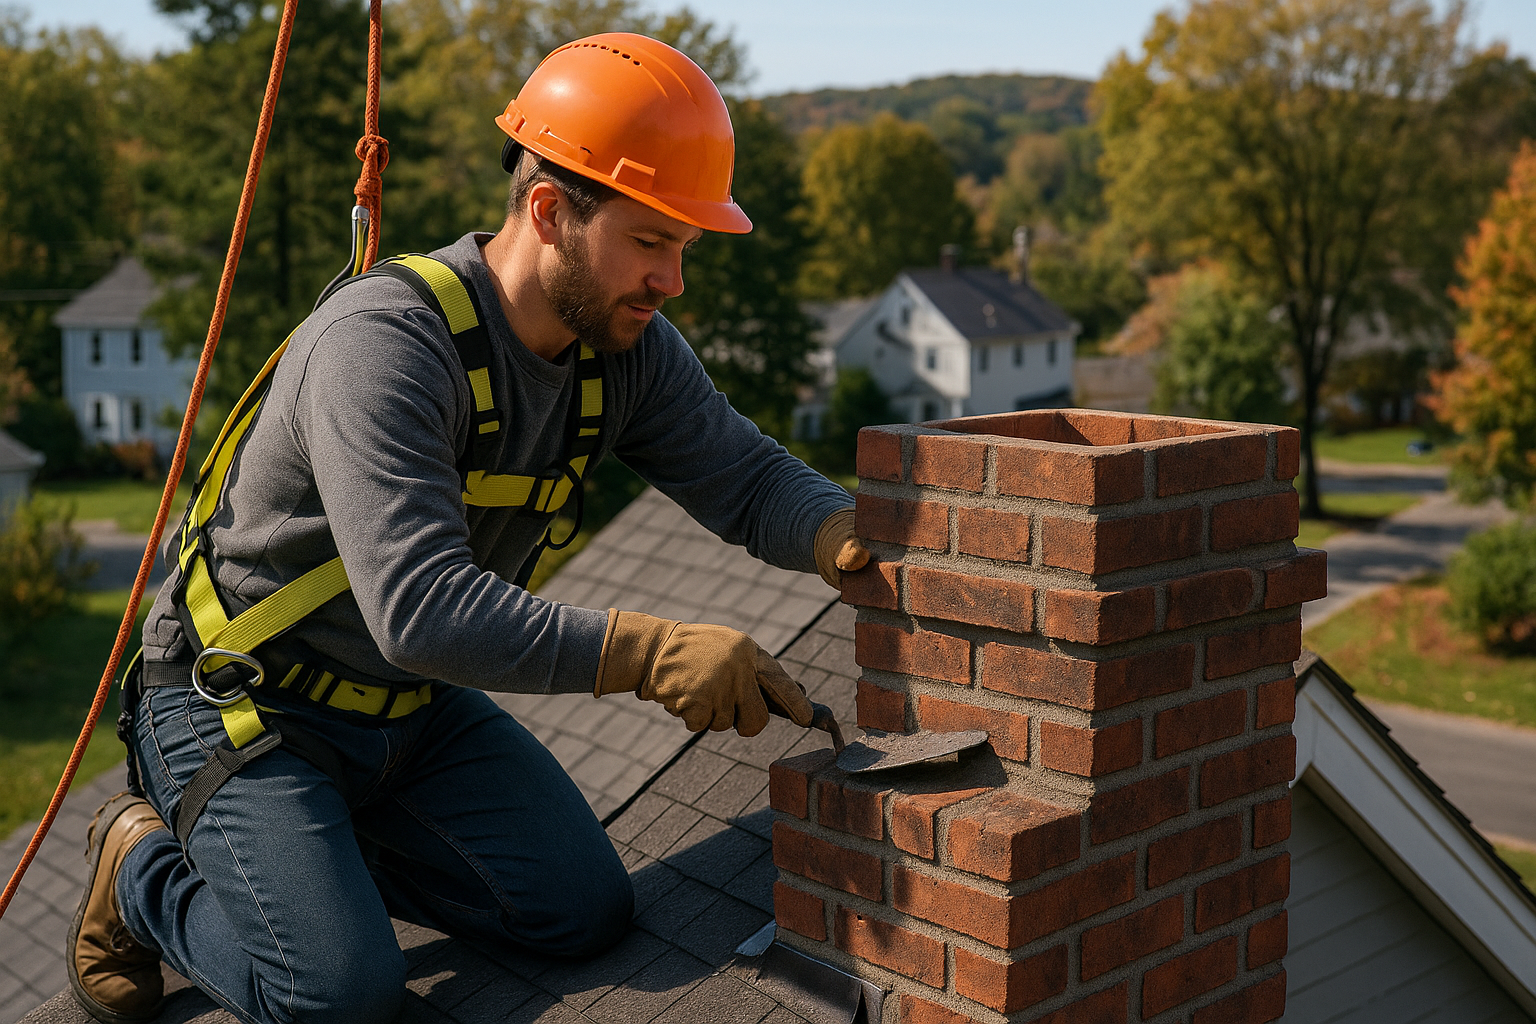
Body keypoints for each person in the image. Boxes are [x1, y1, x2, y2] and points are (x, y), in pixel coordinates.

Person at [67, 32, 868, 1024]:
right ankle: (144, 865)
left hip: (403, 711)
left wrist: (850, 538)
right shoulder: (388, 345)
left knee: (582, 910)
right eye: (652, 241)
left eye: (683, 249)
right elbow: (422, 610)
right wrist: (649, 651)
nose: (674, 283)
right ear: (548, 211)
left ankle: (311, 861)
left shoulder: (621, 350)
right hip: (245, 703)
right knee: (341, 994)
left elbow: (746, 478)